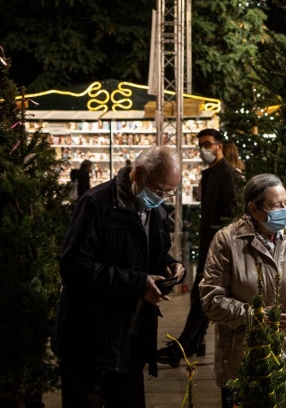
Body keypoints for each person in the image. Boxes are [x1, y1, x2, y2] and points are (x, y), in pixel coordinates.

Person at [52, 146, 186, 408]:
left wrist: (171, 267)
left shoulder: (155, 210)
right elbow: (74, 267)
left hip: (131, 338)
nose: (162, 197)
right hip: (89, 337)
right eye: (159, 189)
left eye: (169, 192)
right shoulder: (96, 203)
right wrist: (138, 283)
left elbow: (154, 256)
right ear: (138, 173)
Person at [201, 173, 286, 408]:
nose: (284, 210)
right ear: (254, 209)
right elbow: (211, 300)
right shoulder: (227, 241)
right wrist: (254, 316)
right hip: (244, 365)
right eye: (276, 205)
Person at [157, 128, 239, 366]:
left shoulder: (227, 175)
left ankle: (184, 346)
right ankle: (194, 343)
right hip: (209, 244)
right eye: (201, 145)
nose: (204, 149)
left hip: (218, 246)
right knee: (202, 295)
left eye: (208, 144)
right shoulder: (210, 174)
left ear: (219, 146)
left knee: (199, 295)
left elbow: (229, 215)